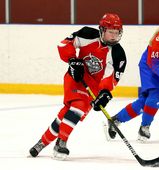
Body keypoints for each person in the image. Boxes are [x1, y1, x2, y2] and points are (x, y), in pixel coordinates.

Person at [29, 13, 127, 160]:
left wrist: (105, 93)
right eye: (110, 32)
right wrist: (73, 60)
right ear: (102, 30)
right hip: (75, 78)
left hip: (92, 89)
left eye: (116, 32)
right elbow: (64, 44)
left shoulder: (118, 54)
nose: (113, 36)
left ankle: (41, 143)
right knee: (78, 106)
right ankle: (61, 143)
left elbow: (111, 78)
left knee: (65, 115)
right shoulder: (87, 34)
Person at [105, 9, 159, 142]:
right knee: (156, 96)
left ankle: (115, 120)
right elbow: (154, 62)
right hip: (149, 67)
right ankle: (144, 128)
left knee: (145, 102)